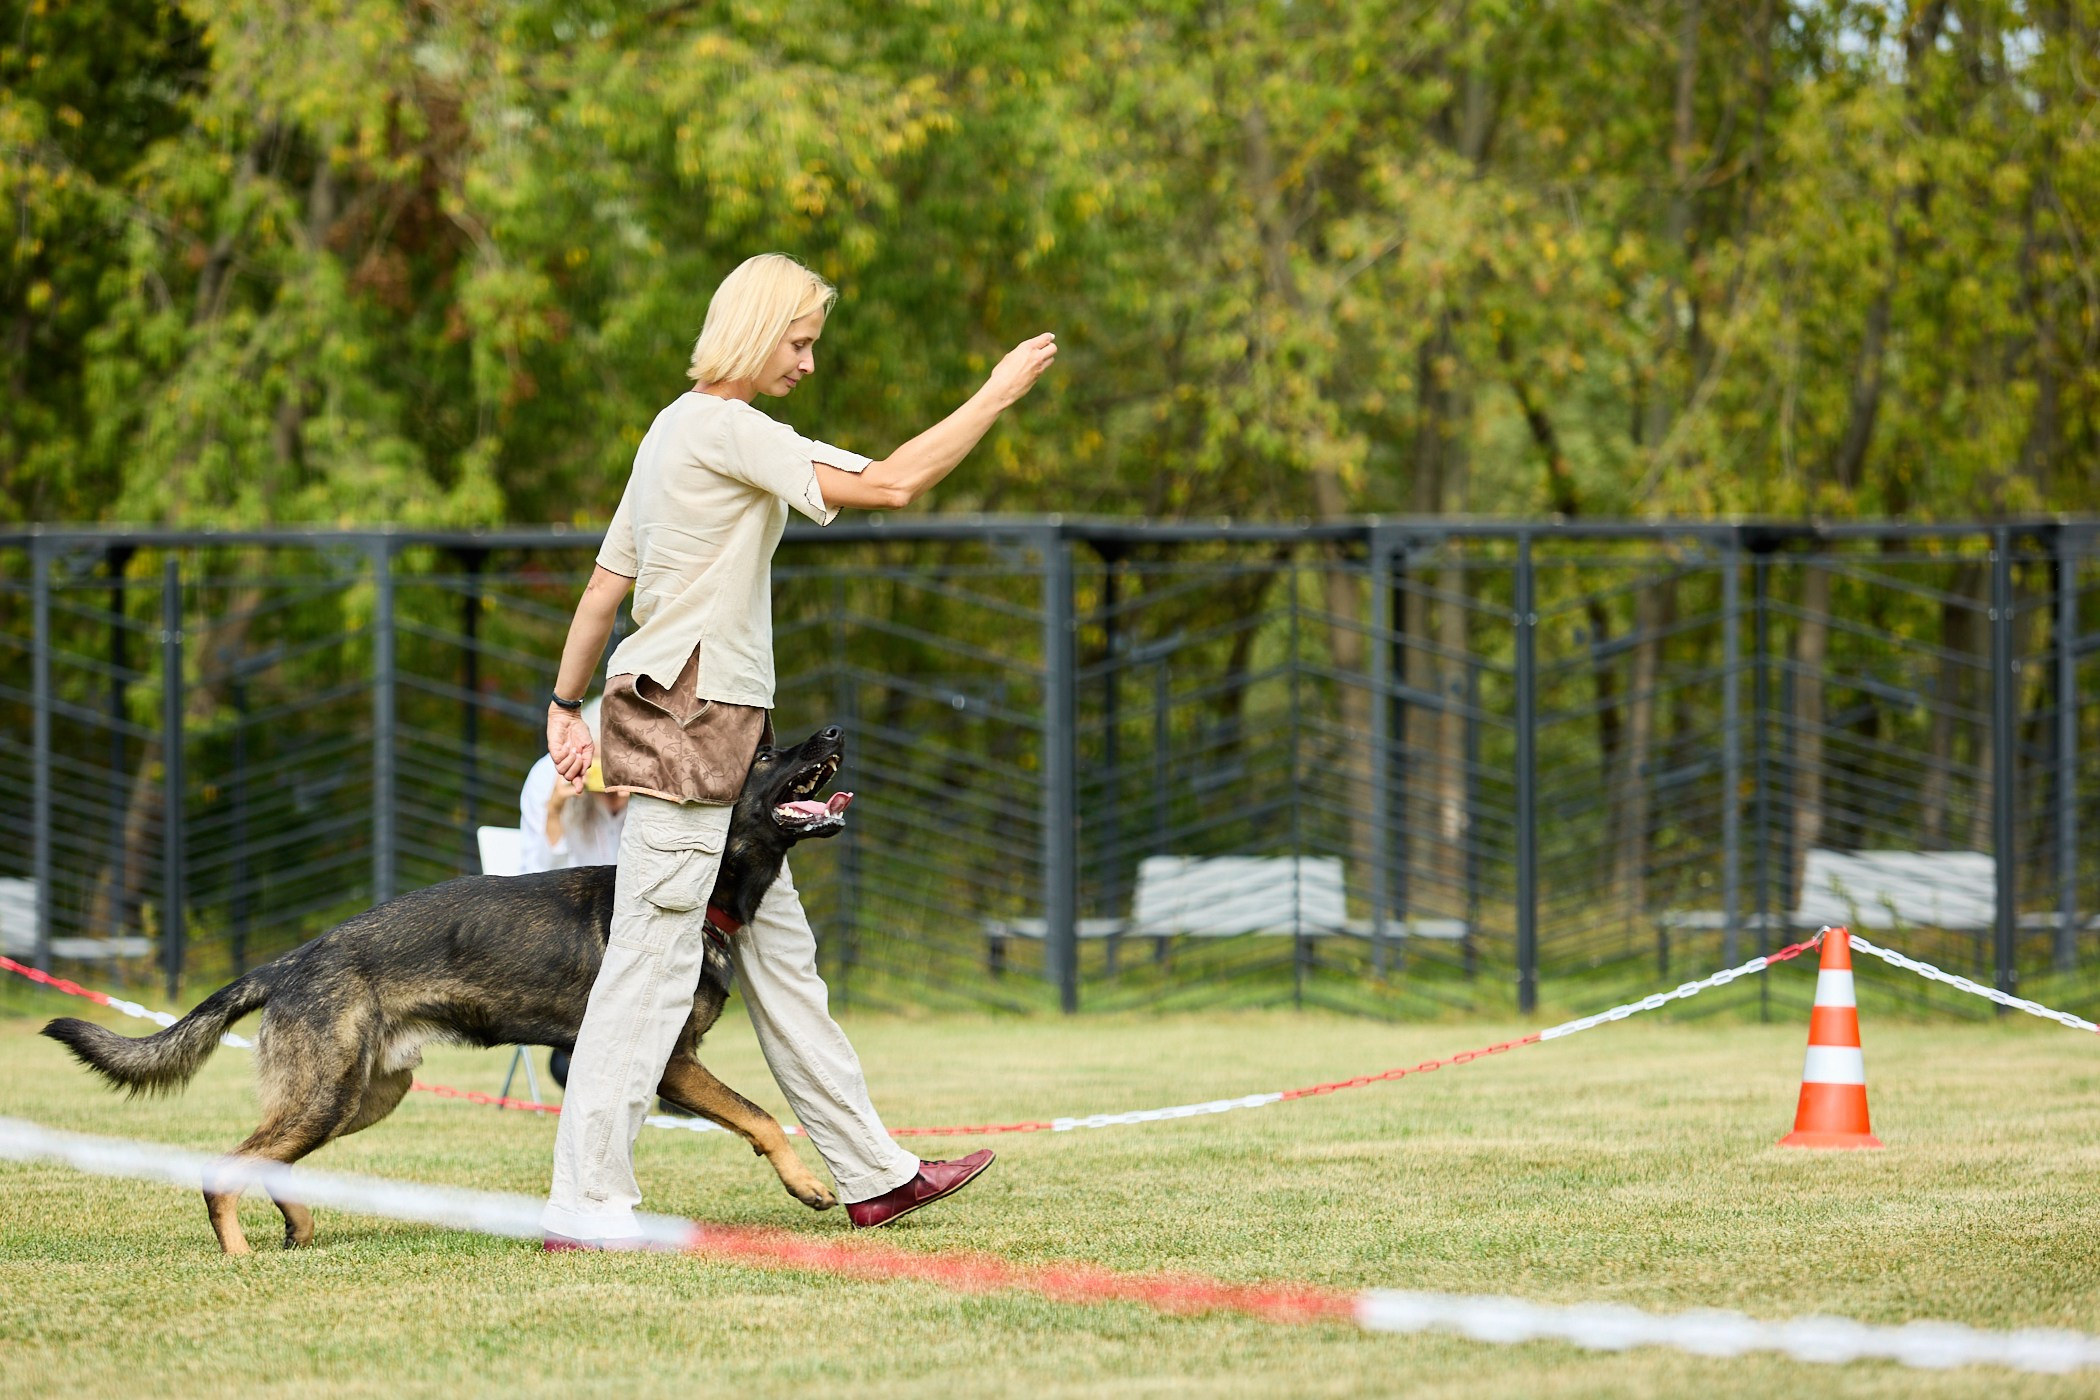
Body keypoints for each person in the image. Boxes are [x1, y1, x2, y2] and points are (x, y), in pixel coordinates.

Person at [538, 252, 1056, 1245]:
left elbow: (605, 587)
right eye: (801, 339)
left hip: (725, 731)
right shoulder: (727, 429)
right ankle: (584, 1203)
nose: (810, 361)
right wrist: (995, 392)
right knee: (646, 969)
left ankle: (876, 1173)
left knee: (784, 962)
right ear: (755, 329)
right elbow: (900, 482)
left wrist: (564, 703)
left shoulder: (674, 433)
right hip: (692, 726)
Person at [518, 697, 629, 874]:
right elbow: (535, 873)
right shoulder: (548, 776)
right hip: (567, 894)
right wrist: (554, 812)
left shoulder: (650, 778)